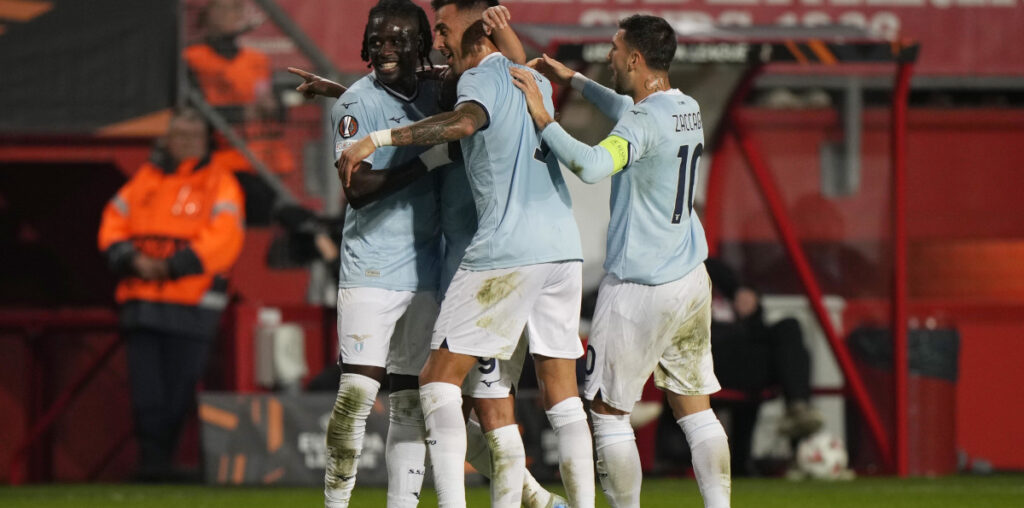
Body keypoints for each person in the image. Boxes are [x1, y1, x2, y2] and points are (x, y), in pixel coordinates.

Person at [291, 6, 568, 507]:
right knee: (360, 399)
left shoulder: (448, 86)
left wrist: (499, 30)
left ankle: (518, 499)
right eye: (376, 41)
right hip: (375, 271)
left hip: (445, 271)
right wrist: (349, 100)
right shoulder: (366, 100)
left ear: (423, 45)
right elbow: (359, 188)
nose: (385, 49)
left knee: (424, 406)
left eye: (401, 40)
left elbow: (502, 70)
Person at [510, 14, 731, 508]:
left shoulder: (642, 121)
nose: (609, 55)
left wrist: (545, 120)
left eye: (614, 49)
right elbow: (630, 110)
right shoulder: (684, 107)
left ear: (634, 58)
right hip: (691, 278)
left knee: (609, 415)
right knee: (696, 410)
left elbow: (590, 166)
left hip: (640, 286)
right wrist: (577, 81)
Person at [97, 108, 245, 481]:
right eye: (177, 135)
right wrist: (131, 258)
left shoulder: (220, 182)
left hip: (192, 304)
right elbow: (113, 223)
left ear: (206, 140)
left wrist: (171, 266)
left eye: (192, 136)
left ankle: (161, 463)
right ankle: (152, 464)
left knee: (179, 391)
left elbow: (224, 237)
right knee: (146, 392)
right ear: (166, 139)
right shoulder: (146, 178)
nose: (184, 143)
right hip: (142, 300)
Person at [705, 257, 822, 475]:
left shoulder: (716, 271)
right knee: (771, 353)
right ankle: (798, 412)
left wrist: (750, 306)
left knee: (790, 327)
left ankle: (798, 407)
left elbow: (754, 320)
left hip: (748, 354)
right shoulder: (678, 277)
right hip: (713, 357)